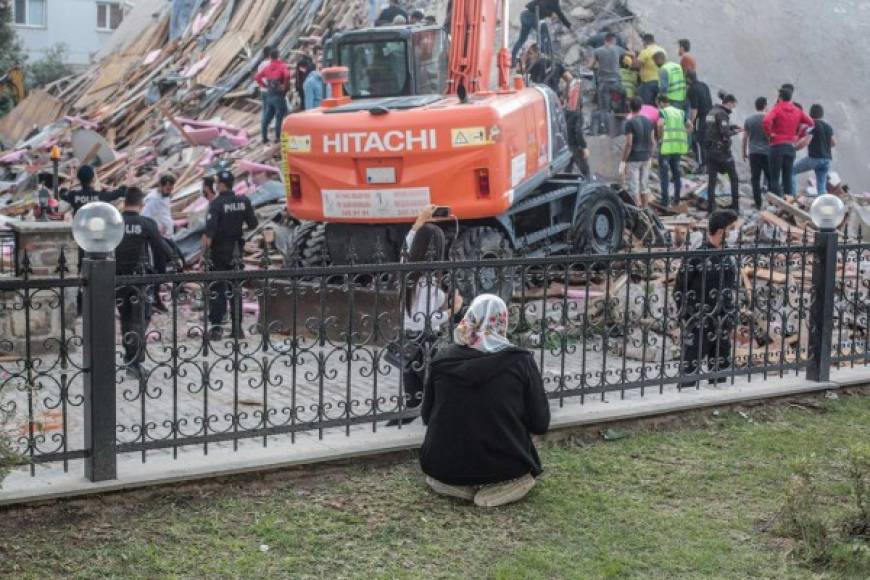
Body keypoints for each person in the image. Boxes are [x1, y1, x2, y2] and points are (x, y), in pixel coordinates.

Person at [420, 294, 550, 508]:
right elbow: (540, 423)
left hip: (441, 466)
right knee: (522, 472)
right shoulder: (520, 362)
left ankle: (452, 484)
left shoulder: (441, 358)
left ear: (469, 318)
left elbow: (427, 416)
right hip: (506, 465)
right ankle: (503, 486)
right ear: (502, 321)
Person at [387, 206, 464, 426]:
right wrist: (452, 310)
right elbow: (429, 319)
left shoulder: (406, 272)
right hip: (423, 344)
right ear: (438, 250)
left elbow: (406, 247)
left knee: (413, 397)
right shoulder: (429, 283)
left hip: (406, 340)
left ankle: (397, 428)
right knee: (430, 397)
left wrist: (419, 223)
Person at [675, 210, 739, 390]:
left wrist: (731, 313)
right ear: (721, 232)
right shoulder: (696, 257)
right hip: (698, 321)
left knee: (720, 370)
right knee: (689, 370)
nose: (734, 233)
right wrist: (688, 317)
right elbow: (680, 290)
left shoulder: (728, 257)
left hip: (722, 320)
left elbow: (730, 287)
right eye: (731, 229)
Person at [115, 187, 171, 380]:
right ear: (142, 204)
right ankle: (134, 361)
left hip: (118, 279)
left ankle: (129, 355)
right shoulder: (146, 223)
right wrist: (159, 279)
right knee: (140, 319)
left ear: (124, 202)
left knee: (126, 317)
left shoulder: (114, 222)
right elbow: (160, 251)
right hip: (140, 280)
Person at [203, 170, 259, 340]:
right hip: (236, 250)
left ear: (220, 184)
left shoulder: (216, 204)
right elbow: (253, 223)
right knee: (235, 289)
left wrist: (205, 255)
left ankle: (217, 328)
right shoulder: (244, 201)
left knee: (217, 289)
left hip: (219, 251)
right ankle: (237, 329)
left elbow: (209, 233)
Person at [762, 87, 814, 199]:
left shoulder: (777, 108)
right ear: (790, 98)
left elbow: (766, 121)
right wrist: (799, 135)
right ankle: (788, 202)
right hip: (790, 147)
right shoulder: (797, 110)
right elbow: (811, 123)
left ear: (780, 98)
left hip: (776, 146)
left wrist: (770, 134)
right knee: (787, 177)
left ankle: (775, 204)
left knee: (774, 177)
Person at [142, 173, 176, 313]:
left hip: (164, 237)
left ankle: (155, 298)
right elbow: (145, 218)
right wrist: (155, 230)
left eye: (171, 188)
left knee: (163, 266)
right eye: (167, 188)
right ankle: (152, 298)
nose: (169, 191)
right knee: (157, 268)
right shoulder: (153, 200)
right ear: (161, 186)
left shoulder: (164, 197)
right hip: (155, 239)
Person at [705, 92, 741, 212]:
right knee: (734, 178)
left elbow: (715, 128)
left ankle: (710, 207)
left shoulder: (712, 112)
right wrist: (735, 132)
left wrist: (731, 127)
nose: (733, 108)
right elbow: (725, 134)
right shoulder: (722, 114)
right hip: (722, 152)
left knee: (712, 179)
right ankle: (735, 206)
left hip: (710, 150)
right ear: (729, 103)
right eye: (733, 105)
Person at [792, 104, 836, 196]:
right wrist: (824, 146)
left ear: (810, 114)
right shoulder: (828, 127)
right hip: (827, 160)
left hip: (815, 158)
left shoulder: (812, 125)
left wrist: (795, 148)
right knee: (821, 186)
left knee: (792, 171)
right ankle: (823, 205)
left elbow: (807, 141)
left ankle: (792, 196)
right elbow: (834, 143)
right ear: (822, 114)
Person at [511, 0, 572, 66]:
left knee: (522, 39)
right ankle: (544, 57)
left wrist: (568, 25)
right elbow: (542, 6)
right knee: (544, 33)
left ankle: (512, 60)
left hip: (525, 15)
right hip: (532, 16)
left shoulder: (554, 3)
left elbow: (559, 14)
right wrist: (550, 14)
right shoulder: (554, 2)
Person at [620, 97, 656, 208]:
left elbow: (629, 144)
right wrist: (650, 156)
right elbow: (653, 142)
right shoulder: (649, 122)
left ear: (630, 107)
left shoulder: (629, 123)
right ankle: (645, 210)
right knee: (644, 186)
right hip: (646, 157)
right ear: (641, 107)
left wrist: (623, 160)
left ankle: (637, 213)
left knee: (633, 187)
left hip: (634, 159)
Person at [656, 94, 690, 207]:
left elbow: (660, 124)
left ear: (661, 103)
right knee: (676, 173)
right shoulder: (680, 112)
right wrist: (683, 134)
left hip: (666, 148)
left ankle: (665, 201)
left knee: (664, 174)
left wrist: (660, 138)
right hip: (677, 147)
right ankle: (676, 199)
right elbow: (690, 125)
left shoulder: (663, 112)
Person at [590, 32, 625, 135]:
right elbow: (631, 54)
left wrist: (596, 66)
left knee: (604, 109)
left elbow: (589, 66)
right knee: (620, 105)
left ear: (605, 40)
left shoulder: (597, 51)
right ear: (613, 40)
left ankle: (607, 131)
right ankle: (621, 130)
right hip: (617, 84)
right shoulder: (618, 49)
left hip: (604, 84)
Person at [254, 48, 290, 144]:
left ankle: (264, 138)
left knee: (267, 117)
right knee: (279, 117)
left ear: (270, 57)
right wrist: (285, 86)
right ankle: (278, 137)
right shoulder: (282, 66)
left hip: (269, 94)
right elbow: (286, 75)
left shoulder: (267, 68)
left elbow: (257, 77)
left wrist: (264, 85)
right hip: (279, 95)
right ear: (278, 56)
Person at [743, 97, 771, 208]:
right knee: (770, 178)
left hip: (753, 153)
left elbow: (745, 138)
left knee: (755, 178)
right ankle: (773, 202)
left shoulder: (749, 120)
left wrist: (743, 152)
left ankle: (758, 203)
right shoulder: (769, 119)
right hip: (767, 153)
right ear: (765, 105)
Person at [686, 70, 712, 171]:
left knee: (697, 140)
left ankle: (701, 165)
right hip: (711, 116)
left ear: (688, 79)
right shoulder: (704, 85)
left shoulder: (692, 89)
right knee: (707, 139)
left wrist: (691, 122)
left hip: (701, 117)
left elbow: (694, 109)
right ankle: (709, 165)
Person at [636, 33, 666, 105]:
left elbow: (636, 65)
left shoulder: (645, 51)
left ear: (645, 41)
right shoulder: (663, 50)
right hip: (660, 82)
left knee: (645, 104)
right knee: (658, 104)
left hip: (648, 82)